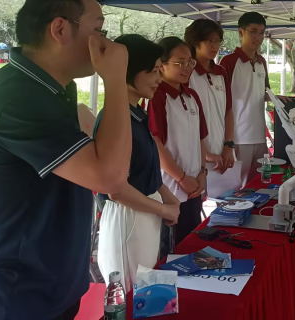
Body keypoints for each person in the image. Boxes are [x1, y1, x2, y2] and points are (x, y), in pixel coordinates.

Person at [0, 0, 132, 320]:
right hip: (11, 301)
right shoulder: (17, 98)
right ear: (60, 29)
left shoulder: (51, 90)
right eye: (98, 29)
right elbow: (109, 177)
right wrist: (115, 80)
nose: (106, 42)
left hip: (48, 291)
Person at [96, 34, 181, 292]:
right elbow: (116, 190)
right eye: (153, 71)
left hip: (145, 210)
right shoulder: (115, 120)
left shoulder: (135, 114)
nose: (159, 78)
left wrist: (165, 194)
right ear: (128, 71)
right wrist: (163, 209)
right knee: (132, 293)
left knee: (146, 288)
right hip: (128, 216)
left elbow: (144, 167)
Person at [148, 37, 208, 247]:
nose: (187, 67)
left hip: (195, 185)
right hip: (171, 188)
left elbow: (200, 138)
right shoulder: (157, 96)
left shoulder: (192, 96)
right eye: (180, 63)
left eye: (190, 61)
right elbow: (156, 144)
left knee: (191, 243)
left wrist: (202, 173)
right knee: (171, 248)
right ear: (161, 65)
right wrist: (181, 178)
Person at [220, 12, 288, 187]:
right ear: (241, 32)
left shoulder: (261, 62)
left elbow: (264, 92)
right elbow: (221, 99)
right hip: (238, 137)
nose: (258, 37)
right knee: (237, 188)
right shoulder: (228, 62)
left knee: (258, 184)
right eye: (253, 31)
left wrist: (275, 98)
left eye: (262, 33)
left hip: (259, 135)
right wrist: (227, 140)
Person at [184, 19, 238, 198]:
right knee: (197, 201)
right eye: (209, 40)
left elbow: (228, 111)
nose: (215, 46)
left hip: (222, 152)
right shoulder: (187, 74)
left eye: (218, 41)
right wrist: (205, 153)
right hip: (195, 155)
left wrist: (229, 145)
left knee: (226, 201)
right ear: (195, 42)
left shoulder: (221, 72)